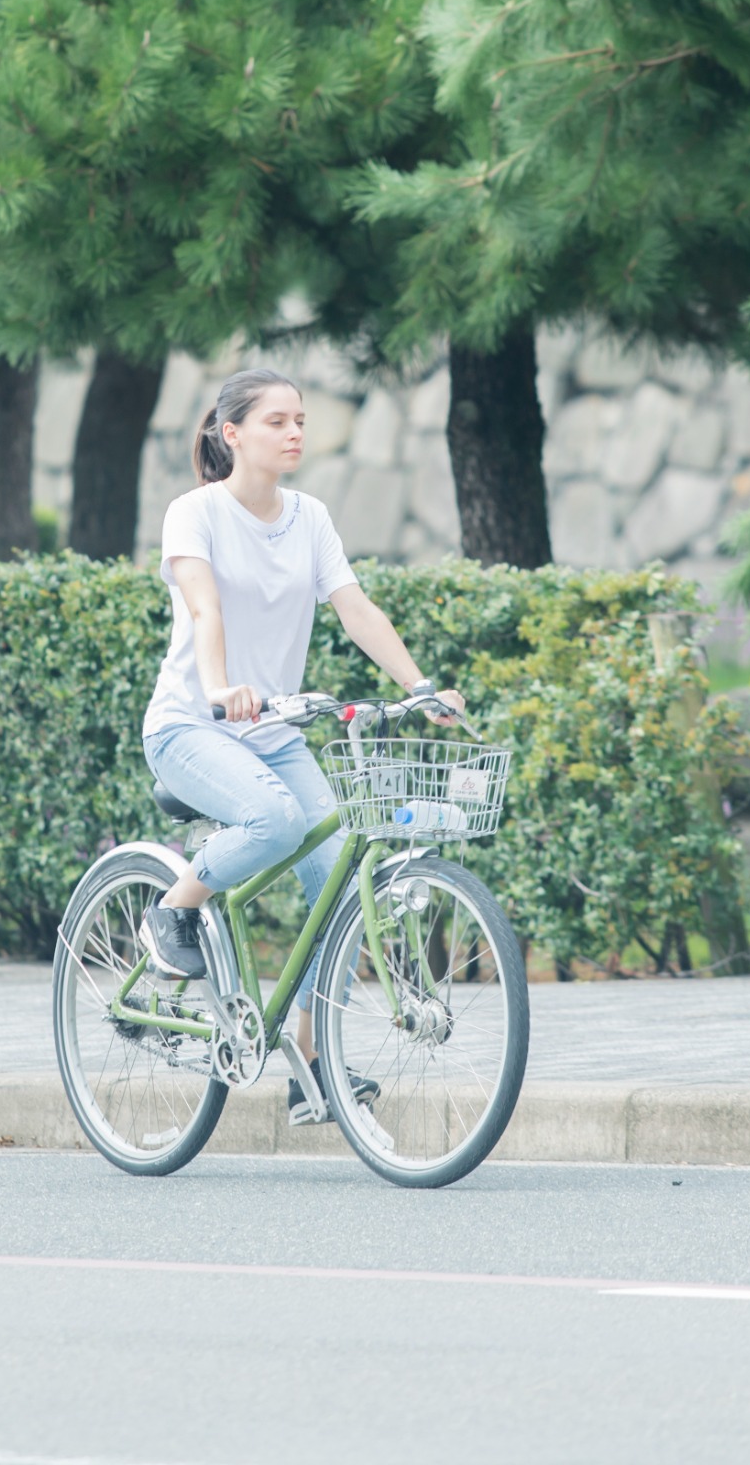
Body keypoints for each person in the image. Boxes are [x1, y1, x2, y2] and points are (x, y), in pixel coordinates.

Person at [138, 366, 465, 1123]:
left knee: (343, 887)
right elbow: (203, 607)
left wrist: (419, 686)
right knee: (278, 823)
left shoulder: (309, 516)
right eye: (277, 421)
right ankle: (175, 909)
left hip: (275, 733)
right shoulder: (196, 513)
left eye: (301, 421)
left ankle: (312, 1064)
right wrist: (220, 688)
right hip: (192, 725)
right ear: (233, 434)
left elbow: (354, 607)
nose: (294, 434)